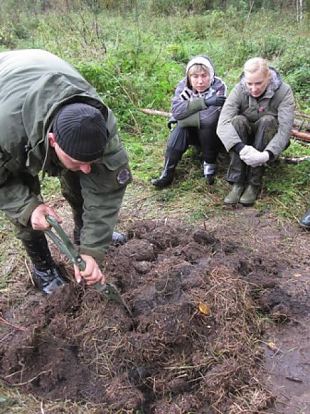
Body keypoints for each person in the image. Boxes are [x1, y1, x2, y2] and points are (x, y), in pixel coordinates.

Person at [0, 49, 131, 294]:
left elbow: (105, 187)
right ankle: (43, 268)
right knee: (27, 206)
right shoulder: (7, 131)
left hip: (43, 70)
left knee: (83, 176)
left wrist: (92, 250)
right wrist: (28, 209)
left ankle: (84, 235)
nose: (86, 168)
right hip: (7, 91)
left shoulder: (99, 123)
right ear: (52, 141)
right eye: (77, 160)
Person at [217, 57, 295, 205]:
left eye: (258, 83)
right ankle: (237, 181)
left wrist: (266, 155)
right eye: (249, 83)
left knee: (268, 120)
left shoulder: (284, 92)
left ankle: (254, 182)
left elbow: (285, 130)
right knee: (237, 121)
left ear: (268, 77)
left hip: (267, 139)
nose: (253, 89)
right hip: (244, 139)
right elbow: (223, 123)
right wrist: (241, 148)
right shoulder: (239, 89)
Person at [152, 55, 226, 188]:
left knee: (199, 124)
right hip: (191, 132)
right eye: (195, 76)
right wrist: (205, 102)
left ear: (211, 74)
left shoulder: (218, 86)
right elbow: (177, 111)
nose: (200, 81)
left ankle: (209, 163)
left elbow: (210, 118)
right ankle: (167, 172)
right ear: (189, 77)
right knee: (180, 129)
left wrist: (184, 115)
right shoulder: (184, 86)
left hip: (213, 134)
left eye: (204, 76)